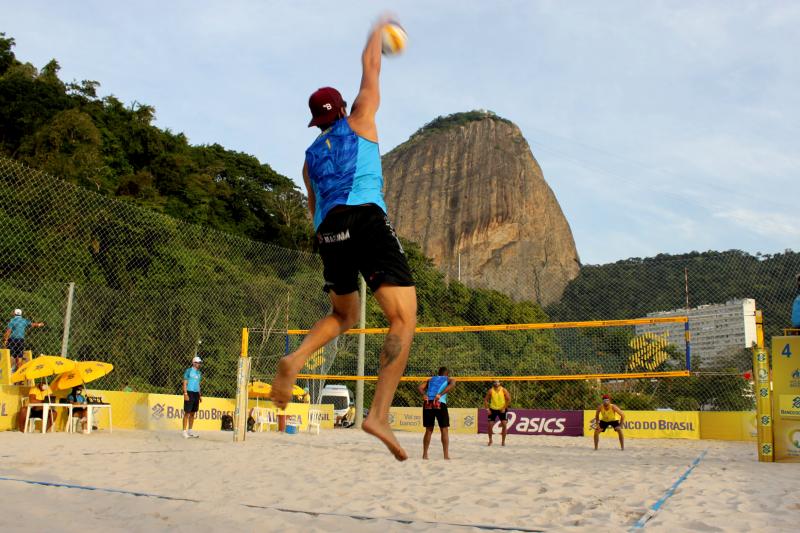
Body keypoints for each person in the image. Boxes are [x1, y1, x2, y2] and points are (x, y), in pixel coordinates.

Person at [271, 17, 416, 461]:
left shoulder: (309, 158)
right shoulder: (362, 117)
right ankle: (379, 414)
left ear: (316, 120)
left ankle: (294, 360)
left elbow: (313, 207)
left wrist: (329, 237)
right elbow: (370, 65)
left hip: (329, 231)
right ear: (341, 108)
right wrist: (378, 31)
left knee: (343, 313)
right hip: (366, 217)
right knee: (403, 319)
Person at [418, 367, 456, 460]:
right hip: (439, 402)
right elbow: (452, 385)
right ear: (447, 373)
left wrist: (424, 394)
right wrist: (441, 394)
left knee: (429, 430)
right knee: (444, 429)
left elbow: (419, 387)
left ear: (438, 373)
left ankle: (425, 454)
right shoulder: (448, 379)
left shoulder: (431, 379)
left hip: (428, 403)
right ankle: (446, 455)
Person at [483, 380, 511, 446]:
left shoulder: (503, 390)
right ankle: (490, 440)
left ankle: (503, 441)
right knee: (490, 425)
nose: (496, 383)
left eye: (497, 382)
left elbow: (509, 399)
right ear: (493, 383)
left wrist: (504, 408)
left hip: (502, 409)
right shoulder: (491, 390)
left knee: (504, 424)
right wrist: (487, 409)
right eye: (495, 382)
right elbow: (485, 400)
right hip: (493, 409)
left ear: (500, 383)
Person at [182, 356, 202, 439]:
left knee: (193, 413)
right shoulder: (188, 371)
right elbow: (184, 383)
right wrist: (185, 393)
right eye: (197, 362)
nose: (199, 364)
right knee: (187, 413)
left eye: (200, 363)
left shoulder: (199, 373)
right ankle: (184, 431)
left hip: (196, 393)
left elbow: (198, 384)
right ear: (193, 363)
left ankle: (190, 431)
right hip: (189, 392)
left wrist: (200, 395)